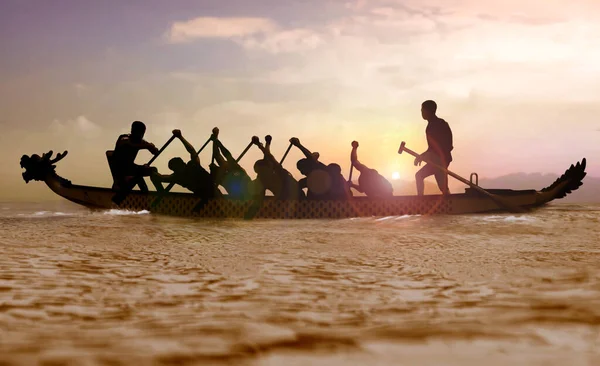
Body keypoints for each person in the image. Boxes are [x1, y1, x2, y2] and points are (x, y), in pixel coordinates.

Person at [150, 129, 219, 199]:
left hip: (214, 192)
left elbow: (192, 150)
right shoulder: (178, 176)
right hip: (206, 195)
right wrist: (152, 172)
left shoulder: (192, 165)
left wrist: (180, 137)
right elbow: (162, 177)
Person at [414, 100, 453, 195]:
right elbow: (431, 148)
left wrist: (425, 156)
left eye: (423, 110)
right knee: (419, 176)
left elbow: (445, 146)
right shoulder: (429, 127)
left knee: (442, 186)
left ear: (429, 111)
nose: (421, 112)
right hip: (435, 160)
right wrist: (422, 156)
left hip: (441, 160)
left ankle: (449, 200)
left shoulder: (440, 124)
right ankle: (420, 199)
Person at [108, 121, 159, 192]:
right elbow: (129, 144)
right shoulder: (124, 138)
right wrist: (147, 146)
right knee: (137, 176)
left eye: (142, 133)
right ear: (133, 131)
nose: (141, 135)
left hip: (132, 168)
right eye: (140, 133)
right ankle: (120, 187)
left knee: (153, 170)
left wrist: (153, 148)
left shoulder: (141, 142)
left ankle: (159, 193)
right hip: (120, 171)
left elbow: (155, 152)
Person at [251, 135, 305, 200]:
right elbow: (267, 157)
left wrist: (261, 145)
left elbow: (269, 156)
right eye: (258, 172)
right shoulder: (262, 179)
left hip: (299, 200)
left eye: (261, 172)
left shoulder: (280, 172)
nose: (260, 174)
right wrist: (264, 144)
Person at [209, 135, 252, 199]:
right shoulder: (220, 177)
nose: (225, 161)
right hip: (238, 195)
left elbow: (223, 155)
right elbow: (217, 155)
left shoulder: (235, 168)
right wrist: (215, 140)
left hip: (244, 191)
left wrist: (216, 140)